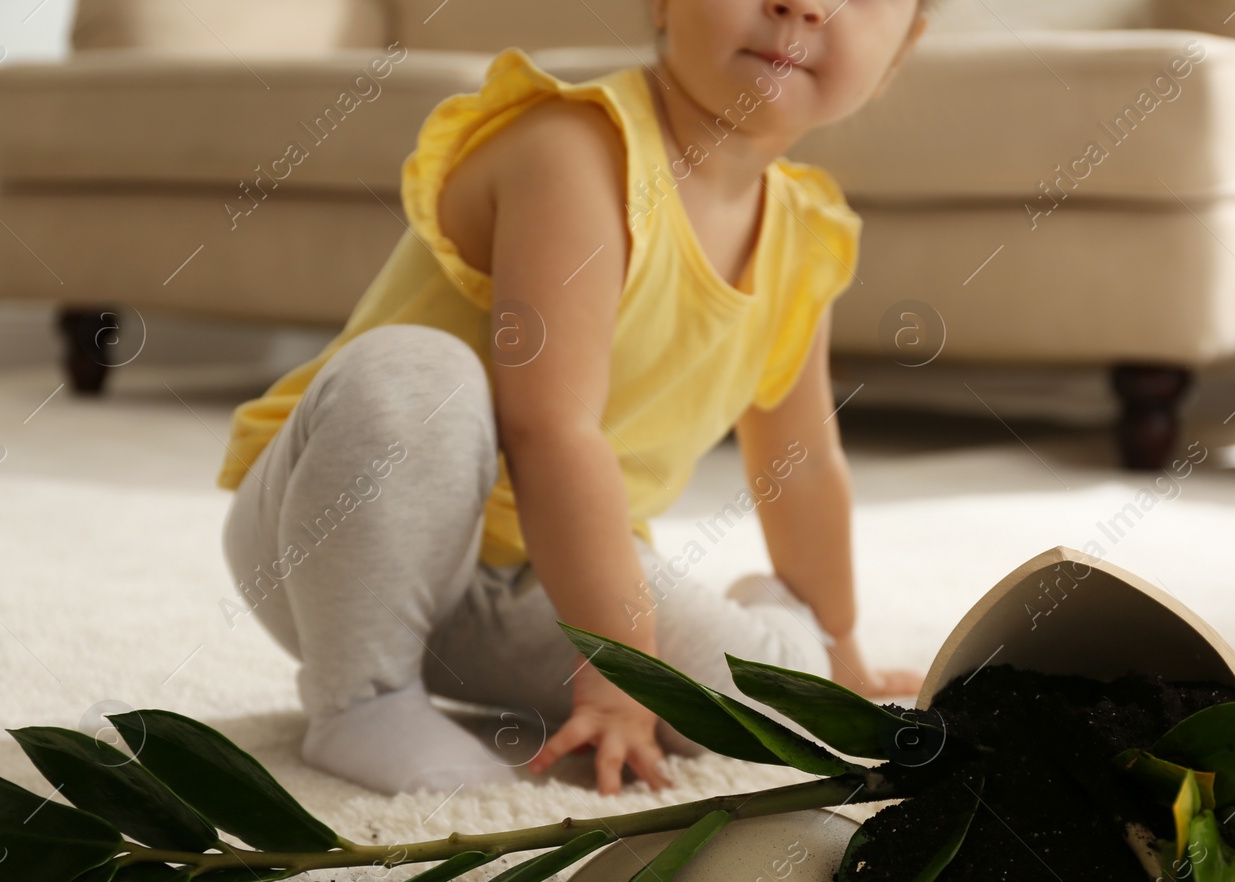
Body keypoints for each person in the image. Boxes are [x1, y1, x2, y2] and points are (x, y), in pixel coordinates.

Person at [216, 0, 934, 798]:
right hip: (341, 534)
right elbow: (549, 427)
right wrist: (617, 669)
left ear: (902, 51)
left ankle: (784, 623)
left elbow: (801, 467)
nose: (802, 4)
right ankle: (362, 699)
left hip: (549, 576)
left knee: (783, 705)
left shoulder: (801, 233)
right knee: (416, 374)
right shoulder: (577, 152)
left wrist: (841, 650)